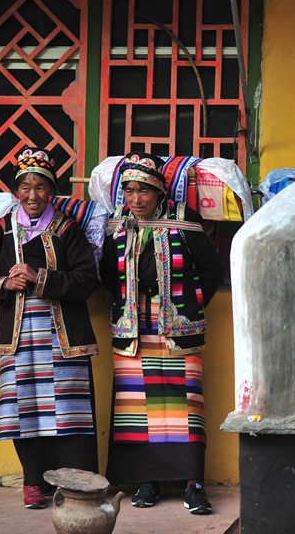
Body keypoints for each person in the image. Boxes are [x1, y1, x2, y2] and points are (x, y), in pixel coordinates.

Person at [0, 147, 100, 509]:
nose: (33, 195)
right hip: (19, 338)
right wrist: (5, 283)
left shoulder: (66, 229)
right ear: (16, 191)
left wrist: (39, 277)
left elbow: (86, 280)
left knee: (69, 412)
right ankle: (33, 483)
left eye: (41, 187)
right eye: (25, 187)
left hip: (62, 337)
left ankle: (76, 482)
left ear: (51, 190)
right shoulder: (2, 230)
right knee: (23, 409)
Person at [100, 153, 225, 515]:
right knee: (137, 406)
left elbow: (211, 268)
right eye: (129, 191)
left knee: (185, 405)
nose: (136, 199)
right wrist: (126, 302)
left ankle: (193, 484)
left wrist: (189, 305)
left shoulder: (183, 219)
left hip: (177, 328)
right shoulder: (118, 224)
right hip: (133, 328)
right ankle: (147, 481)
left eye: (144, 191)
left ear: (159, 192)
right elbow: (108, 272)